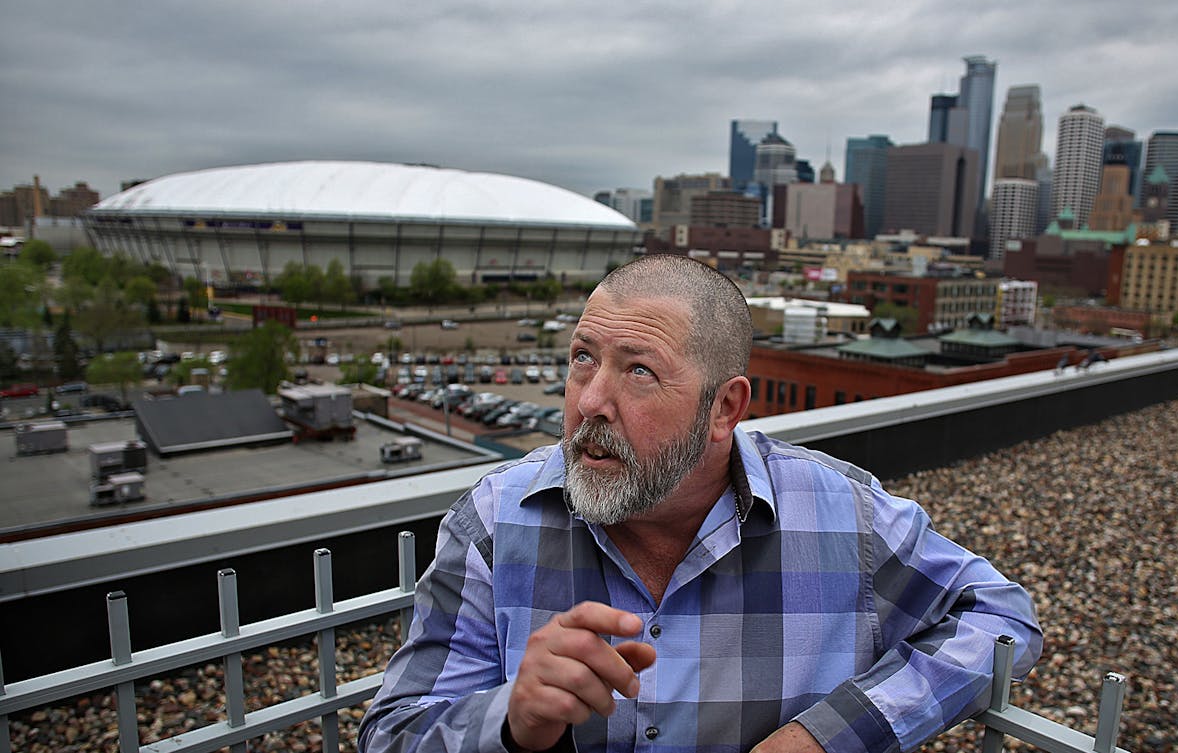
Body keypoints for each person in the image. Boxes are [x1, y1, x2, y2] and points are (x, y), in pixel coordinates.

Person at [359, 255, 1041, 753]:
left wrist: (824, 736)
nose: (590, 399)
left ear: (724, 408)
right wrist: (510, 719)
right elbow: (392, 734)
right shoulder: (495, 521)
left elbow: (999, 614)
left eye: (639, 370)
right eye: (581, 357)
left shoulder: (842, 517)